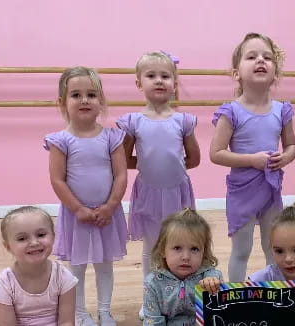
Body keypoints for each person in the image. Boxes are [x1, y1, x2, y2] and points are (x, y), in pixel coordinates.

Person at [116, 51, 200, 319]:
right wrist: (150, 167)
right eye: (151, 76)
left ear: (174, 83)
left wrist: (172, 168)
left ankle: (184, 296)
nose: (159, 80)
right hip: (149, 193)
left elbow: (194, 158)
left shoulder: (182, 121)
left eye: (165, 76)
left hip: (177, 192)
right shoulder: (133, 121)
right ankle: (150, 297)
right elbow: (124, 159)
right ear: (139, 83)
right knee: (152, 247)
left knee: (182, 243)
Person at [210, 32, 295, 281]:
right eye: (252, 56)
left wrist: (286, 157)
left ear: (275, 72)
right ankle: (237, 300)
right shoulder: (231, 112)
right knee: (241, 249)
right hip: (242, 191)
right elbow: (216, 154)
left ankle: (275, 297)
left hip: (271, 189)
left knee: (274, 247)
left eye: (267, 57)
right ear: (236, 73)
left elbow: (292, 145)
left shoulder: (282, 110)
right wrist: (251, 160)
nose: (260, 60)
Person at [45, 66, 128, 326]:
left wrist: (111, 205)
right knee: (77, 268)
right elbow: (57, 180)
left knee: (104, 265)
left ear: (101, 101)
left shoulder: (112, 137)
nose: (84, 100)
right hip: (76, 216)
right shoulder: (61, 140)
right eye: (76, 95)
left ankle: (105, 310)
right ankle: (80, 312)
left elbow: (121, 176)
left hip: (107, 214)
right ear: (62, 102)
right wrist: (78, 208)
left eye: (91, 95)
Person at [0, 206, 77, 326]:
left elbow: (67, 322)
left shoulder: (63, 276)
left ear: (53, 237)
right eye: (22, 238)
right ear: (8, 247)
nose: (34, 242)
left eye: (41, 235)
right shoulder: (5, 283)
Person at [143, 208, 222, 326]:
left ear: (203, 252)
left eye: (194, 249)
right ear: (163, 250)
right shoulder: (153, 283)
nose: (186, 257)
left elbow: (221, 312)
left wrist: (214, 284)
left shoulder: (210, 276)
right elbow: (153, 321)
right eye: (177, 248)